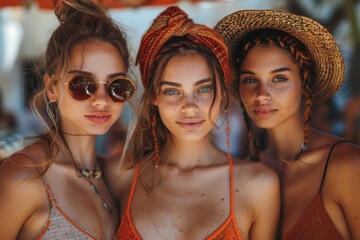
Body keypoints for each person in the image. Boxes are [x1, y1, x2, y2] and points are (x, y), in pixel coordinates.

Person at [106, 6, 280, 239]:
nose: (189, 106)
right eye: (172, 91)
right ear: (154, 98)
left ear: (222, 95)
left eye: (204, 89)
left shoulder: (259, 184)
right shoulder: (120, 174)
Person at [216, 9, 360, 239]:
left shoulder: (346, 165)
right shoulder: (245, 173)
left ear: (305, 84)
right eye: (250, 79)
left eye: (279, 78)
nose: (262, 94)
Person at [0, 0, 136, 239]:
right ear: (52, 87)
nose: (101, 101)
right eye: (82, 85)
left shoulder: (109, 175)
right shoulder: (25, 175)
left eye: (117, 86)